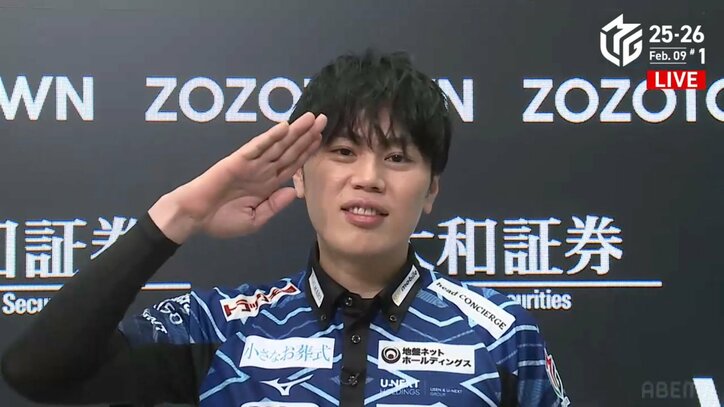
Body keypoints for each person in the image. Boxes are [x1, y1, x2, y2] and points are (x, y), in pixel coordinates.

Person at [1, 50, 570, 407]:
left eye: (398, 158)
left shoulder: (500, 334)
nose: (368, 178)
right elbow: (38, 372)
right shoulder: (218, 327)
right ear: (298, 172)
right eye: (343, 151)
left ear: (430, 192)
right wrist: (179, 215)